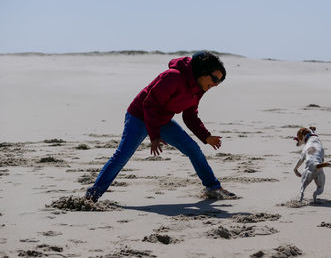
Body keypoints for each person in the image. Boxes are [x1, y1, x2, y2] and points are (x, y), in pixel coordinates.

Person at [85, 51, 236, 202]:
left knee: (193, 149)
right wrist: (154, 135)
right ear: (203, 71)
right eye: (214, 79)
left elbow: (190, 115)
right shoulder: (173, 77)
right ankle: (91, 197)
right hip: (139, 117)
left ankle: (213, 187)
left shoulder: (199, 88)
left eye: (219, 81)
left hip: (163, 120)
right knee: (121, 157)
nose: (215, 84)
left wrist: (206, 136)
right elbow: (149, 105)